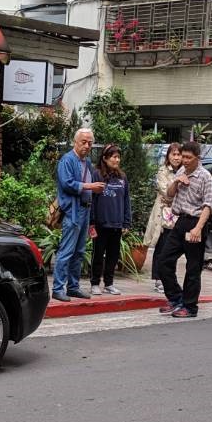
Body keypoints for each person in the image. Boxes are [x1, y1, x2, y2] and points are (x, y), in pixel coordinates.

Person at [155, 141, 212, 319]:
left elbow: (208, 205)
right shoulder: (181, 170)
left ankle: (190, 306)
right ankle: (175, 298)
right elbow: (170, 194)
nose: (185, 160)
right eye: (183, 157)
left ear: (198, 158)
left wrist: (198, 228)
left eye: (189, 157)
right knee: (164, 260)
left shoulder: (205, 177)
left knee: (193, 268)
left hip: (196, 223)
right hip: (180, 222)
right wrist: (176, 181)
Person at [52, 128, 104, 301]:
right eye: (84, 142)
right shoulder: (67, 160)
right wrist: (90, 187)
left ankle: (73, 287)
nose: (87, 146)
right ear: (75, 142)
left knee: (79, 251)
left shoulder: (86, 161)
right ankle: (58, 288)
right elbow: (67, 184)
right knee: (67, 250)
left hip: (85, 209)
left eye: (90, 143)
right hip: (72, 211)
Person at [89, 144, 131, 296]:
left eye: (118, 157)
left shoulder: (122, 177)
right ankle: (95, 283)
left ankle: (109, 283)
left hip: (117, 223)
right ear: (105, 158)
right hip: (100, 223)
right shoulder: (96, 175)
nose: (117, 160)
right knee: (98, 254)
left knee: (113, 255)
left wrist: (126, 222)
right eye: (114, 157)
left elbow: (126, 200)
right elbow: (92, 199)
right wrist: (91, 222)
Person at [145, 142, 184, 292]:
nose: (176, 157)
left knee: (174, 248)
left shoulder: (185, 171)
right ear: (168, 156)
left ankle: (169, 278)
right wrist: (177, 189)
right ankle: (158, 279)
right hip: (164, 214)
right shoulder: (163, 171)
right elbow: (166, 193)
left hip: (179, 215)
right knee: (162, 246)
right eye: (173, 154)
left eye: (179, 154)